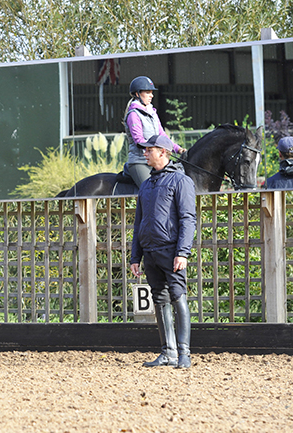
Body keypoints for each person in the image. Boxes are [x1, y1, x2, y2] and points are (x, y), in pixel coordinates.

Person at [130, 135, 196, 369]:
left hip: (172, 251)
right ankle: (167, 352)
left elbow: (188, 219)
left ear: (163, 152)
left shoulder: (181, 181)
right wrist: (135, 256)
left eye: (149, 150)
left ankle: (184, 353)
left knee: (178, 296)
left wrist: (183, 252)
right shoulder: (146, 184)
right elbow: (139, 223)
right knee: (160, 299)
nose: (145, 153)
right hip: (150, 252)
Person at [123, 76, 185, 189]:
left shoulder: (152, 113)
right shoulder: (133, 115)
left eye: (151, 92)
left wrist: (178, 149)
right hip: (139, 162)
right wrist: (156, 152)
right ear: (137, 94)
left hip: (156, 159)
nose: (152, 95)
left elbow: (163, 136)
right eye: (148, 92)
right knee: (152, 190)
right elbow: (139, 141)